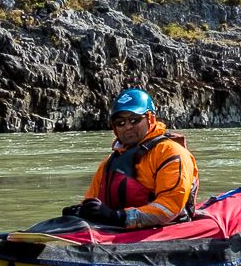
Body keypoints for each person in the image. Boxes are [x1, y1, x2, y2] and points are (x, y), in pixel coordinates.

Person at [71, 88, 197, 228]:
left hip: (166, 227)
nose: (128, 127)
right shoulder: (109, 162)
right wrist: (82, 211)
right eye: (120, 123)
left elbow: (169, 208)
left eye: (134, 120)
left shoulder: (172, 153)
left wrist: (117, 216)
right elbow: (92, 200)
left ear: (150, 119)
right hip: (117, 226)